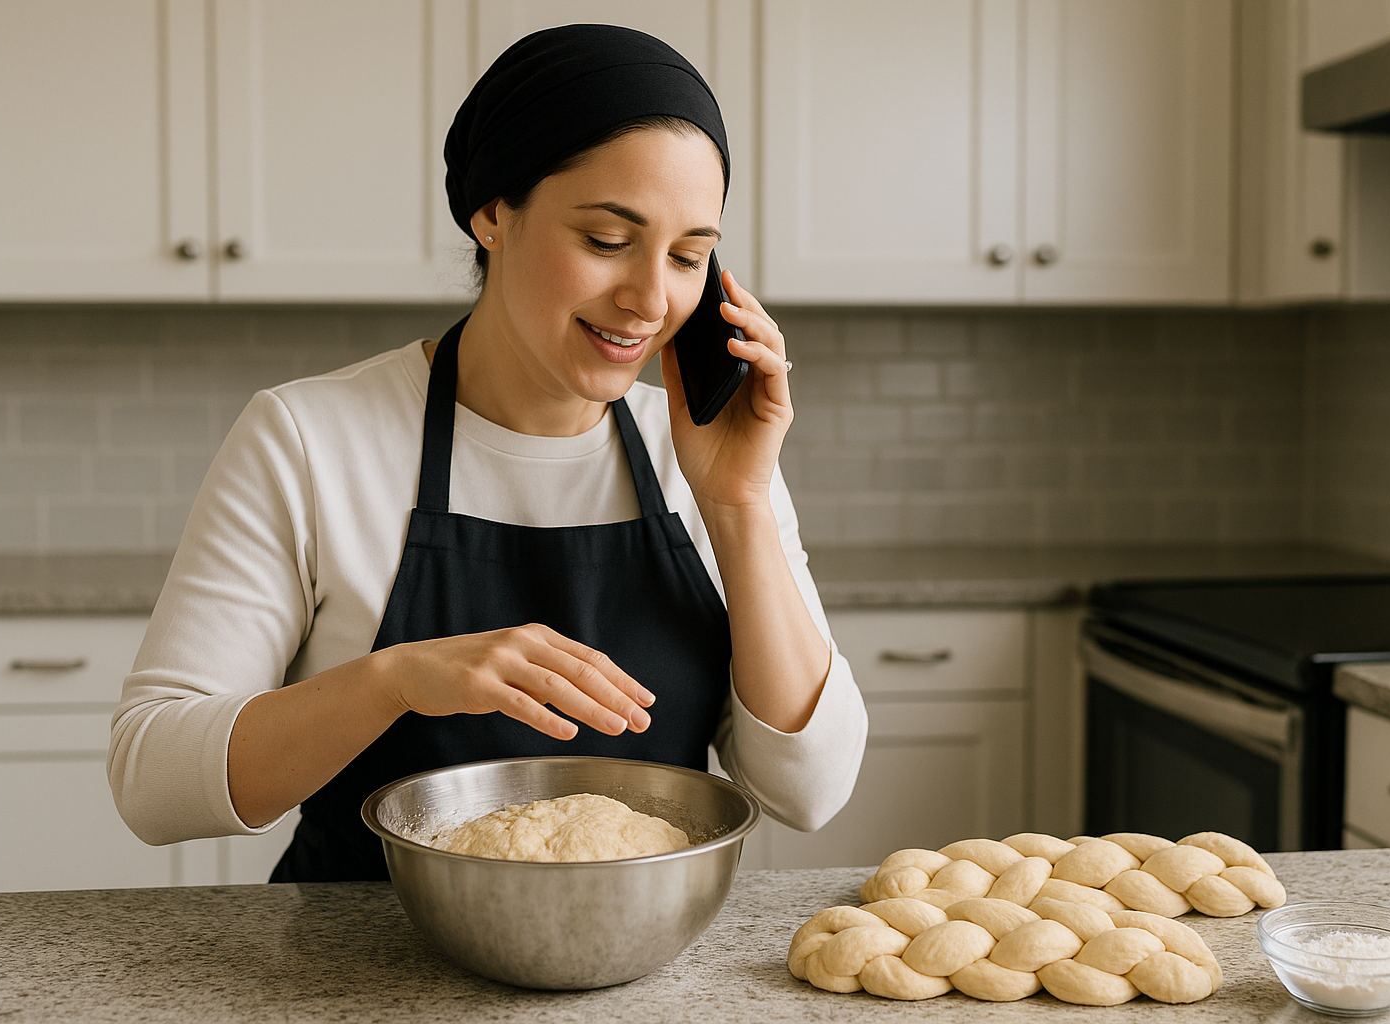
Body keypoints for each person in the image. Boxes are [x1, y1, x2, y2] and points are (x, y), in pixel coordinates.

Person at [108, 23, 867, 882]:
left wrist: (738, 506)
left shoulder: (706, 460)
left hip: (635, 972)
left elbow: (813, 791)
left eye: (690, 256)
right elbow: (152, 783)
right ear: (494, 212)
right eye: (607, 241)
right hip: (349, 982)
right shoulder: (311, 440)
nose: (651, 299)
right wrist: (393, 680)